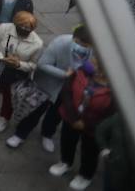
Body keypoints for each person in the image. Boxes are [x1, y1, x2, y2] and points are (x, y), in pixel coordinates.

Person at [6, 25, 92, 153]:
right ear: (74, 38)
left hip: (68, 89)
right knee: (35, 109)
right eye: (80, 43)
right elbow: (43, 64)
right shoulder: (61, 43)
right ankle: (20, 134)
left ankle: (47, 134)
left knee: (56, 113)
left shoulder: (93, 51)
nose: (82, 47)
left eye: (86, 45)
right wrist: (64, 74)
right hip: (47, 85)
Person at [47, 59, 113, 190]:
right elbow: (66, 91)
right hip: (71, 117)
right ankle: (65, 162)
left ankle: (85, 175)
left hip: (94, 128)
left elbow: (111, 115)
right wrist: (73, 117)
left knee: (90, 151)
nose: (93, 63)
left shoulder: (117, 89)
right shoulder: (82, 70)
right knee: (67, 140)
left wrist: (86, 124)